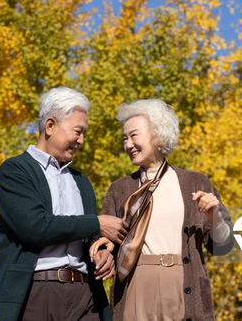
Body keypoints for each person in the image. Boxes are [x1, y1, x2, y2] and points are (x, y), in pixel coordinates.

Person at [90, 99, 234, 321]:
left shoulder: (197, 183)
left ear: (157, 135)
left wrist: (215, 217)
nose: (128, 144)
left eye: (134, 135)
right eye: (124, 138)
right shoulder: (120, 189)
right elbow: (106, 240)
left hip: (182, 286)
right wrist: (103, 250)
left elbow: (222, 247)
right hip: (135, 286)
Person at [0, 87, 128, 321]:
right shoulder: (14, 171)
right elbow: (35, 227)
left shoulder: (81, 181)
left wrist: (103, 252)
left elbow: (89, 236)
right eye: (77, 131)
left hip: (87, 296)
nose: (81, 140)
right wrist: (96, 224)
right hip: (36, 294)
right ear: (50, 125)